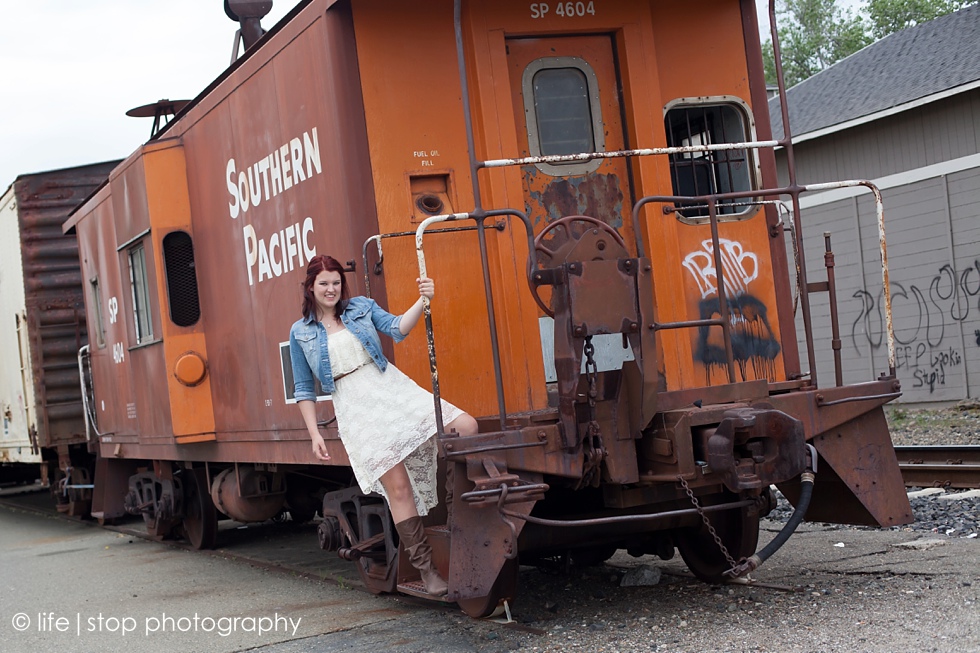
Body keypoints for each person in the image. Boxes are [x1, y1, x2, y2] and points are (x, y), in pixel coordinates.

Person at [289, 254, 478, 596]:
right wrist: (314, 433)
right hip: (355, 406)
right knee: (399, 488)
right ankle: (427, 570)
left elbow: (397, 329)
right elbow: (303, 388)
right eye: (323, 284)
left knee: (464, 426)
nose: (331, 289)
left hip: (389, 386)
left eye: (336, 282)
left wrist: (423, 301)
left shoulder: (360, 306)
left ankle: (455, 519)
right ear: (310, 287)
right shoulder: (300, 333)